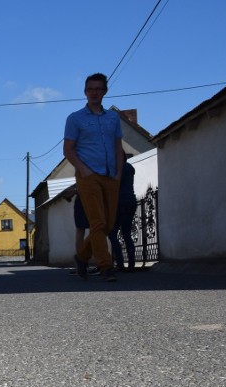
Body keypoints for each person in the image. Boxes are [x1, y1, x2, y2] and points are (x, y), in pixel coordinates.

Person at [63, 72, 124, 282]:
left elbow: (118, 146)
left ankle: (81, 257)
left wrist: (118, 173)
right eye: (90, 89)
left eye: (98, 89)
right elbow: (68, 150)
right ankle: (106, 266)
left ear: (105, 91)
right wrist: (84, 170)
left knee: (107, 224)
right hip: (88, 176)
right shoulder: (75, 118)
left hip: (110, 176)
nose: (94, 92)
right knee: (97, 222)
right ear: (85, 92)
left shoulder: (113, 118)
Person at [109, 155, 137, 271]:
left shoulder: (117, 169)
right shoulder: (130, 168)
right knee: (126, 234)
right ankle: (131, 264)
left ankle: (119, 263)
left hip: (120, 203)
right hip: (131, 201)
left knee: (112, 233)